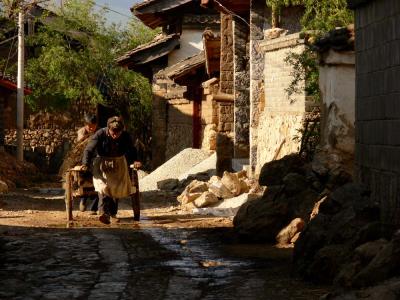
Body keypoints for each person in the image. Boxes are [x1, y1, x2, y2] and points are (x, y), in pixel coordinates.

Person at [81, 116, 142, 224]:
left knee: (116, 187)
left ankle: (113, 214)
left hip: (119, 163)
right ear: (108, 129)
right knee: (103, 186)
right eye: (113, 132)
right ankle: (103, 213)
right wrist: (85, 164)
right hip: (101, 164)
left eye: (118, 133)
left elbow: (132, 149)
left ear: (121, 131)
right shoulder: (100, 134)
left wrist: (136, 160)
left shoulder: (126, 136)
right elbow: (89, 149)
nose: (115, 135)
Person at [77, 113, 99, 214]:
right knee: (83, 179)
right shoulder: (81, 131)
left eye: (93, 126)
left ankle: (94, 207)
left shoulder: (99, 132)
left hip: (97, 158)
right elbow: (80, 144)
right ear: (86, 125)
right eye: (89, 126)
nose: (91, 128)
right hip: (83, 158)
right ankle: (83, 199)